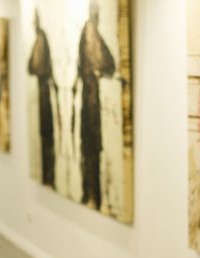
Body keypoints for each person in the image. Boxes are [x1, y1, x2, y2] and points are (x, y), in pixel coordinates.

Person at [77, 0, 116, 209]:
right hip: (91, 99)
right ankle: (93, 194)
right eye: (97, 11)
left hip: (88, 97)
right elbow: (108, 63)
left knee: (88, 146)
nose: (99, 15)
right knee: (92, 145)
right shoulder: (91, 32)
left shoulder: (86, 31)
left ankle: (89, 193)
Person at [28, 9, 57, 189]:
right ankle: (47, 174)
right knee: (44, 133)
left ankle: (49, 173)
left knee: (47, 133)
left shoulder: (41, 39)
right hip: (42, 93)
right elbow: (30, 66)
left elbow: (35, 66)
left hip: (44, 94)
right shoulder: (39, 39)